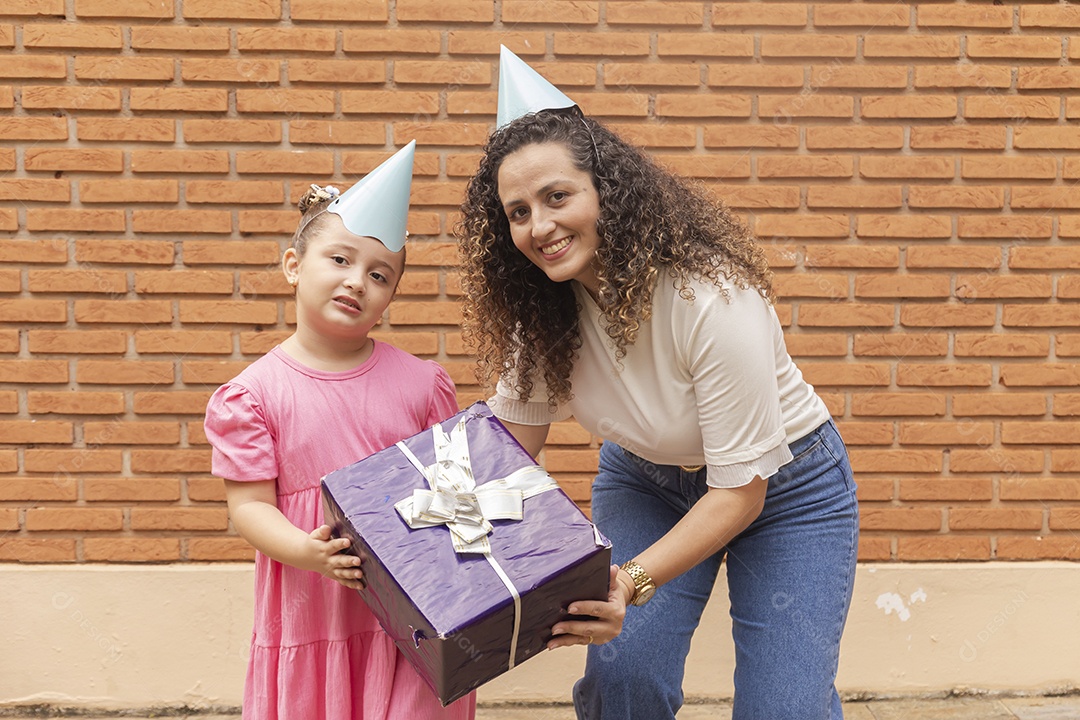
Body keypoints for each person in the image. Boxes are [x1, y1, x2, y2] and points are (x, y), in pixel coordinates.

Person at [456, 48, 859, 720]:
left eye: (557, 196)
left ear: (606, 191)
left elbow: (739, 493)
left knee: (783, 710)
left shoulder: (712, 299)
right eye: (518, 212)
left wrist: (630, 581)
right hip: (647, 483)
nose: (539, 226)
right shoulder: (545, 315)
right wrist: (400, 530)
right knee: (624, 683)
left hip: (787, 490)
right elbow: (505, 454)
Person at [204, 143, 476, 720]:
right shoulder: (251, 396)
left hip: (413, 609)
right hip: (316, 605)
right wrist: (305, 550)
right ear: (293, 265)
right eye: (340, 260)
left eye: (379, 275)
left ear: (391, 296)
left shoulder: (422, 384)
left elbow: (455, 492)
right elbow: (249, 506)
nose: (357, 281)